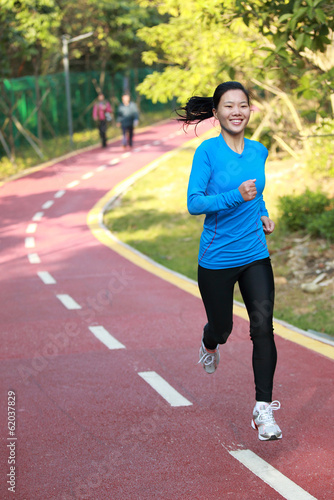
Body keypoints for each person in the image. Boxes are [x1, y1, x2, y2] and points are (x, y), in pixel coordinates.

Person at [177, 81, 282, 441]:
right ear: (217, 112)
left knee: (262, 327)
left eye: (243, 105)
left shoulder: (259, 150)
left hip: (254, 254)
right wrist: (235, 197)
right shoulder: (207, 153)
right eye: (228, 106)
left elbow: (258, 194)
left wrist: (263, 213)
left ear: (250, 110)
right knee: (222, 328)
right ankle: (209, 344)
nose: (236, 112)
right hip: (217, 259)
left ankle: (263, 409)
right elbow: (195, 202)